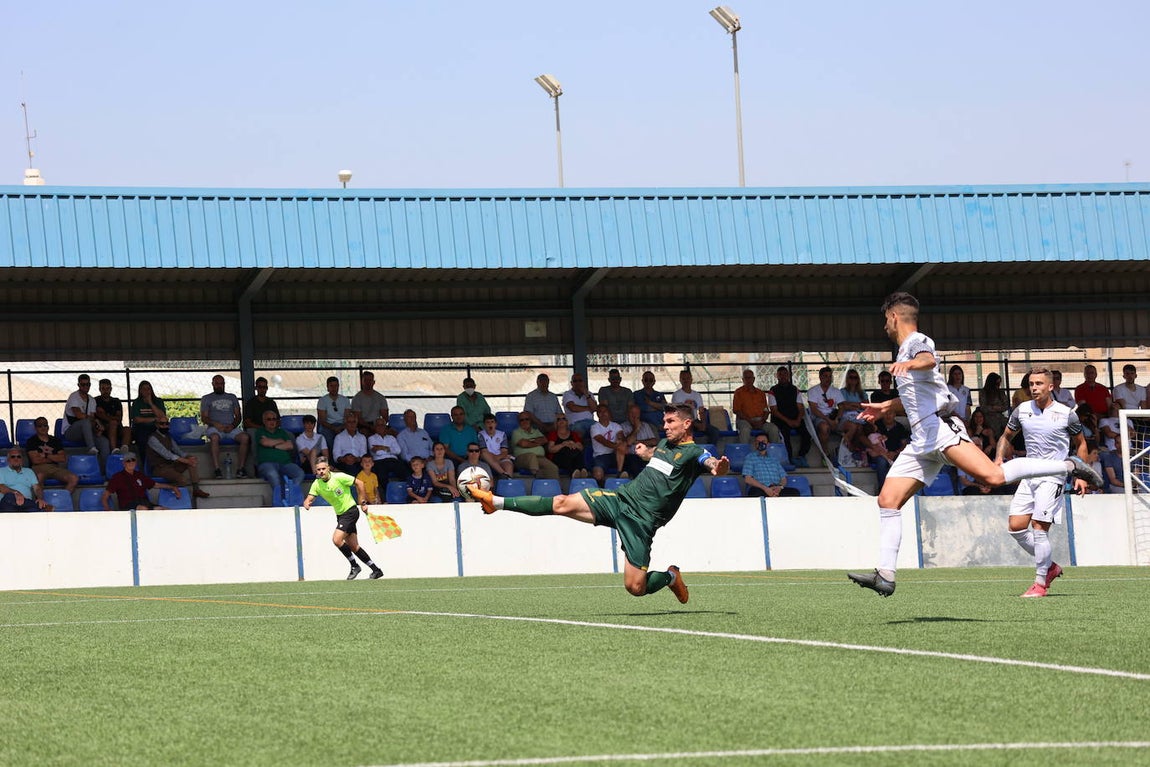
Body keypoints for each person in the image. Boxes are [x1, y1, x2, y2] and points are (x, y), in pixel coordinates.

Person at [847, 293, 1103, 598]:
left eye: (884, 320)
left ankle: (1070, 465)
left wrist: (911, 363)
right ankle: (885, 575)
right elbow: (920, 398)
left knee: (992, 478)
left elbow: (929, 357)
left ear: (892, 316)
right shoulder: (906, 351)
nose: (884, 327)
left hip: (940, 430)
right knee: (888, 500)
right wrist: (888, 405)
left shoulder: (916, 342)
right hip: (920, 439)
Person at [468, 403, 729, 603]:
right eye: (664, 421)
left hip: (642, 522)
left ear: (686, 424)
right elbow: (656, 455)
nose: (665, 426)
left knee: (635, 588)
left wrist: (719, 467)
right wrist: (644, 452)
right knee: (561, 503)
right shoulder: (663, 443)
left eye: (670, 421)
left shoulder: (696, 452)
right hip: (621, 500)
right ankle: (495, 502)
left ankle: (671, 576)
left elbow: (710, 464)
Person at [997, 367, 1091, 598]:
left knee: (1039, 529)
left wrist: (1080, 474)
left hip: (1053, 476)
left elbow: (1081, 444)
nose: (1034, 388)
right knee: (1016, 527)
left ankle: (1040, 584)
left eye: (1039, 383)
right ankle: (1049, 567)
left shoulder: (1066, 413)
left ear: (1050, 387)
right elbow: (1006, 436)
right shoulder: (1022, 410)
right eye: (1031, 383)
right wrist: (998, 458)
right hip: (1029, 474)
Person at [302, 457, 384, 580]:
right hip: (341, 515)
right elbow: (310, 497)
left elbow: (360, 483)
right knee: (354, 546)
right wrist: (307, 502)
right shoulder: (317, 484)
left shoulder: (339, 477)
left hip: (350, 511)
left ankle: (354, 566)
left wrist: (362, 502)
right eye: (318, 470)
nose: (321, 472)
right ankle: (376, 570)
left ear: (328, 468)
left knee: (336, 539)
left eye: (324, 469)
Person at [145, 416, 211, 499]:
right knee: (183, 480)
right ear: (156, 425)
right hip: (159, 468)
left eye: (167, 424)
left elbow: (177, 450)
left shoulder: (168, 436)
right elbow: (167, 454)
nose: (165, 426)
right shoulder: (153, 439)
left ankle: (196, 489)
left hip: (170, 465)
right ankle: (164, 488)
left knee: (191, 461)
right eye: (162, 424)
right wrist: (185, 460)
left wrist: (188, 457)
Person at [200, 374, 250, 479]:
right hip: (215, 428)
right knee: (214, 438)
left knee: (245, 437)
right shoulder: (207, 398)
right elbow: (204, 418)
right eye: (217, 384)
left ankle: (241, 469)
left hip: (231, 428)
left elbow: (238, 416)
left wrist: (232, 425)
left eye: (221, 384)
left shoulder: (232, 397)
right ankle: (217, 469)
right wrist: (215, 424)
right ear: (213, 384)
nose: (219, 386)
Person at [102, 453, 181, 511]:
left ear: (136, 462)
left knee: (164, 510)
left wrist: (172, 487)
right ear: (124, 463)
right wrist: (108, 509)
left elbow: (155, 485)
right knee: (143, 509)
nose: (131, 462)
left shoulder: (139, 475)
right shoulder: (117, 477)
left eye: (133, 460)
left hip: (144, 502)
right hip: (128, 506)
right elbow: (105, 496)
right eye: (128, 461)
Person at [255, 411, 304, 503]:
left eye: (274, 419)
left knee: (299, 473)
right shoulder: (260, 431)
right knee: (273, 475)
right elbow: (264, 442)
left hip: (286, 463)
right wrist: (280, 442)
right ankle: (280, 501)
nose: (272, 421)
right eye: (269, 419)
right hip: (267, 464)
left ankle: (290, 495)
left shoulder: (282, 432)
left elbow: (289, 446)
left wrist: (272, 444)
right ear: (264, 421)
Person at [63, 373, 111, 464]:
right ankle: (91, 448)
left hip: (87, 432)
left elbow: (91, 419)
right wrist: (95, 420)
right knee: (85, 422)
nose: (85, 386)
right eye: (83, 384)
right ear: (79, 385)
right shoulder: (74, 397)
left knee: (104, 442)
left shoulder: (92, 400)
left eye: (87, 384)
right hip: (71, 431)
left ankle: (106, 471)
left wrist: (97, 429)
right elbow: (78, 415)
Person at [770, 366, 810, 468]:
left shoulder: (795, 390)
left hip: (795, 418)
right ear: (777, 376)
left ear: (789, 375)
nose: (783, 376)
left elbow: (801, 408)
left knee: (807, 434)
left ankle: (802, 456)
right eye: (781, 374)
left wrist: (798, 419)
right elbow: (774, 411)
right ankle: (789, 458)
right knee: (785, 435)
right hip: (780, 420)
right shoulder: (773, 391)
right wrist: (788, 421)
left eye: (785, 374)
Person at [24, 417, 78, 493]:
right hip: (38, 468)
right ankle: (41, 503)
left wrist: (45, 455)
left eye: (45, 425)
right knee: (39, 477)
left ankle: (62, 500)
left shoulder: (55, 440)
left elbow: (62, 458)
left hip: (54, 467)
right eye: (40, 426)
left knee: (73, 478)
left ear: (48, 427)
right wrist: (54, 457)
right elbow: (35, 460)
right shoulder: (31, 441)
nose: (43, 428)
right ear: (35, 428)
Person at [672, 369, 722, 445]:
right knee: (689, 434)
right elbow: (676, 413)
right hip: (683, 422)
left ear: (691, 380)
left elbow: (701, 411)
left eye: (688, 378)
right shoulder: (676, 395)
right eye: (683, 379)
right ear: (680, 380)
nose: (686, 381)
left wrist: (703, 424)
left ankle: (708, 451)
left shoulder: (697, 395)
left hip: (695, 420)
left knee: (714, 431)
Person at [732, 369, 780, 446]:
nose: (748, 380)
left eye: (750, 378)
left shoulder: (761, 393)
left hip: (760, 420)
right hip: (744, 420)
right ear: (743, 379)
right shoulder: (738, 392)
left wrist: (762, 420)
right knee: (745, 430)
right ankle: (743, 453)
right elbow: (737, 410)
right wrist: (751, 421)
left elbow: (766, 410)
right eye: (746, 378)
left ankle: (774, 453)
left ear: (754, 379)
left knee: (773, 429)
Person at [807, 366, 845, 461]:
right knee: (824, 427)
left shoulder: (836, 391)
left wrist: (837, 419)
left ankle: (847, 451)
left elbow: (841, 406)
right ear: (820, 377)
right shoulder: (813, 391)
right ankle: (825, 453)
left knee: (853, 426)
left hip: (833, 417)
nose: (828, 379)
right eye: (825, 376)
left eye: (829, 376)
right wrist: (828, 420)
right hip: (819, 417)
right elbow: (814, 409)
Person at [510, 412, 560, 479]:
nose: (524, 421)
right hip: (521, 459)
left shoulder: (536, 431)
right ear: (519, 422)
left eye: (527, 419)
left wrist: (529, 441)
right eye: (522, 420)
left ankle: (556, 488)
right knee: (532, 456)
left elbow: (544, 440)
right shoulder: (516, 432)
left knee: (553, 468)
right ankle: (538, 480)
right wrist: (537, 442)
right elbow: (523, 444)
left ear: (530, 420)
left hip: (539, 458)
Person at [868, 409, 910, 487]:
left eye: (890, 413)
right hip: (879, 454)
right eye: (885, 413)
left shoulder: (900, 427)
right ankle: (883, 488)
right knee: (881, 462)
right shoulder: (876, 425)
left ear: (894, 415)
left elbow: (904, 444)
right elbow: (868, 439)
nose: (888, 416)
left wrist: (895, 453)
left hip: (895, 453)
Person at [589, 403, 626, 484]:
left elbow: (621, 435)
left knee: (622, 446)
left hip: (615, 454)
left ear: (609, 412)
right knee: (598, 474)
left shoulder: (616, 425)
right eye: (600, 412)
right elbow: (603, 441)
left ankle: (619, 473)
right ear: (597, 414)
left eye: (605, 411)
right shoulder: (594, 427)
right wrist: (615, 445)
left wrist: (619, 440)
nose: (603, 413)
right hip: (601, 456)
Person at [620, 402, 659, 477]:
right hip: (631, 456)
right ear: (627, 414)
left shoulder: (646, 425)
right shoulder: (622, 426)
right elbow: (628, 442)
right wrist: (636, 429)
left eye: (636, 413)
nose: (634, 416)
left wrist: (638, 442)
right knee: (632, 461)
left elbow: (654, 441)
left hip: (645, 455)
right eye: (632, 413)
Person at [130, 380, 166, 454]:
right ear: (140, 391)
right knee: (142, 438)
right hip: (141, 427)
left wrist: (150, 403)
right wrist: (154, 419)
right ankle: (144, 462)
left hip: (156, 427)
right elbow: (137, 419)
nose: (146, 391)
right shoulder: (137, 402)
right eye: (144, 389)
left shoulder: (158, 401)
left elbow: (162, 416)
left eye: (148, 389)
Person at [350, 370, 390, 436]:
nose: (368, 382)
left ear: (373, 382)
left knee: (393, 432)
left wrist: (379, 426)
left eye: (370, 380)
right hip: (363, 426)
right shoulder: (356, 398)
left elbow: (385, 417)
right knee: (364, 433)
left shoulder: (381, 397)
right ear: (362, 382)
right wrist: (370, 427)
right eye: (366, 380)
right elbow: (358, 418)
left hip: (378, 424)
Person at [316, 375, 351, 448]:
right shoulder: (322, 400)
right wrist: (334, 428)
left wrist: (341, 427)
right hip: (328, 426)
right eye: (331, 386)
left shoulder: (345, 400)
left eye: (336, 386)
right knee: (327, 438)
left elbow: (347, 418)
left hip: (342, 425)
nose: (334, 388)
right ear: (327, 387)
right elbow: (322, 420)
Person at [94, 379, 128, 453]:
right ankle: (114, 450)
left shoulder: (116, 401)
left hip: (117, 427)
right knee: (113, 423)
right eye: (103, 388)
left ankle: (124, 448)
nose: (105, 391)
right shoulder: (95, 401)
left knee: (127, 429)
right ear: (99, 389)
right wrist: (112, 418)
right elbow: (96, 415)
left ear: (111, 389)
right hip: (102, 429)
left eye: (107, 388)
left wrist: (104, 416)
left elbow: (119, 418)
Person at [477, 413, 515, 480]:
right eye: (487, 422)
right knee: (484, 454)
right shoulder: (481, 435)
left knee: (508, 465)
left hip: (500, 458)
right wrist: (495, 458)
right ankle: (503, 474)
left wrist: (497, 458)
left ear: (496, 424)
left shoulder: (502, 434)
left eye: (492, 422)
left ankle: (508, 484)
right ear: (484, 425)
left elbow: (504, 451)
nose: (490, 424)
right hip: (487, 460)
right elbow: (484, 451)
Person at [368, 417, 407, 482]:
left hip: (393, 460)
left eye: (382, 425)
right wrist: (389, 449)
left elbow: (398, 451)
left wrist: (382, 448)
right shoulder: (371, 438)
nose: (381, 427)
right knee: (382, 476)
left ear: (385, 426)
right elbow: (377, 453)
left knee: (405, 472)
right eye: (378, 425)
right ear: (375, 427)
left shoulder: (391, 438)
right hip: (379, 461)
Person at [243, 376, 280, 445]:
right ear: (256, 388)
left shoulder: (271, 402)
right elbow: (247, 422)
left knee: (288, 435)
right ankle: (256, 455)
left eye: (264, 387)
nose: (262, 389)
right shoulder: (251, 403)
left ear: (267, 388)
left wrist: (271, 427)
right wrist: (262, 428)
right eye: (260, 387)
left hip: (271, 428)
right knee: (254, 435)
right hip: (255, 429)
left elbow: (278, 420)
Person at [978, 372, 1010, 439]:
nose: (998, 385)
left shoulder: (1001, 392)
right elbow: (983, 407)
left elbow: (1006, 405)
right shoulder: (983, 392)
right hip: (988, 418)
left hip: (1000, 417)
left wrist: (999, 408)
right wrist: (993, 408)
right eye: (996, 383)